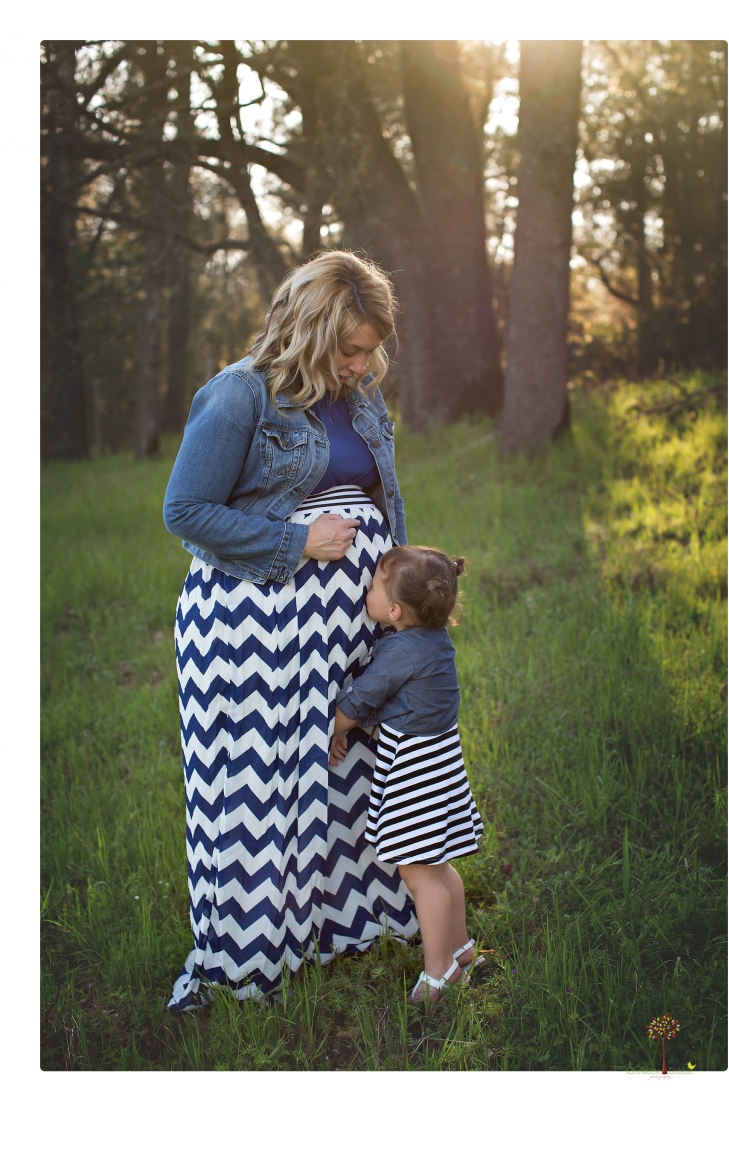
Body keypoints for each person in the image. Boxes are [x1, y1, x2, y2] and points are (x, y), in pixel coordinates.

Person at [162, 250, 418, 1010]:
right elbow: (186, 511)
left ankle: (347, 925)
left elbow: (383, 501)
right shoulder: (240, 395)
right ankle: (248, 954)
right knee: (260, 796)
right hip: (252, 635)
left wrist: (402, 593)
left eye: (371, 349)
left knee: (350, 774)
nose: (363, 364)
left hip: (346, 628)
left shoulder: (363, 398)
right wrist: (297, 544)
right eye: (349, 349)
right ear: (308, 333)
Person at [329, 546, 484, 1003]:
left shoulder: (400, 652)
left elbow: (362, 699)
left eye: (375, 584)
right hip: (440, 762)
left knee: (418, 875)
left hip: (413, 772)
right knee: (439, 866)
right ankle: (461, 949)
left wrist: (336, 727)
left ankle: (439, 975)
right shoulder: (432, 641)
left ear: (394, 610)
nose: (367, 588)